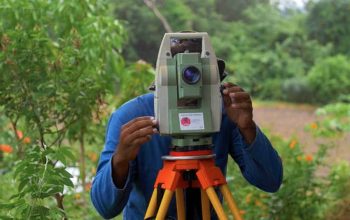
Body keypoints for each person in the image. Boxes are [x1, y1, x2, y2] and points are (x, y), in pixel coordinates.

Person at [90, 39, 283, 219]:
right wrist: (120, 160)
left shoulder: (224, 113)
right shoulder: (132, 116)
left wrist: (247, 128)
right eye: (183, 76)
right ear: (164, 80)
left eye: (198, 75)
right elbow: (105, 207)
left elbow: (270, 180)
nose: (190, 82)